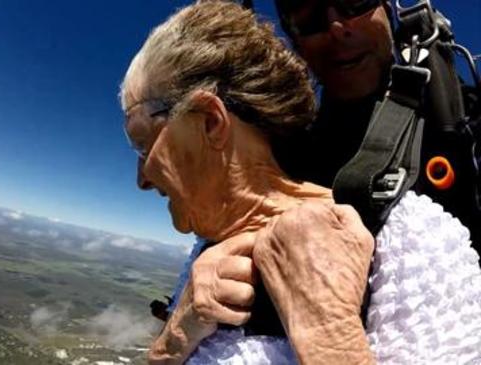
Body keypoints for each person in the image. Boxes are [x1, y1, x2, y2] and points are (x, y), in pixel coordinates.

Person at [119, 1, 481, 364]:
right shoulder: (208, 248)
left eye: (142, 141)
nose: (338, 28)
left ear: (212, 121)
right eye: (307, 18)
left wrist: (329, 335)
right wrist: (175, 336)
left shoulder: (415, 240)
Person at [270, 0, 481, 250]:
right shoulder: (278, 162)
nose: (337, 28)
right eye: (310, 19)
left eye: (356, 3)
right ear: (296, 42)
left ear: (388, 9)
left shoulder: (466, 119)